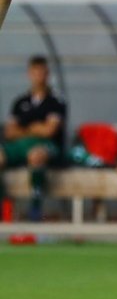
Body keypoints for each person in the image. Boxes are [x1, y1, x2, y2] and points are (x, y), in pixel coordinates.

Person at [0, 55, 67, 221]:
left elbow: (49, 131)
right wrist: (34, 128)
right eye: (35, 72)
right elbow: (9, 132)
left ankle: (35, 208)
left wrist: (24, 129)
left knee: (36, 155)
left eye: (42, 72)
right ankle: (3, 204)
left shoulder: (55, 101)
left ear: (47, 74)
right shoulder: (20, 102)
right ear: (29, 74)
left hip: (47, 146)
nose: (39, 76)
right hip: (21, 145)